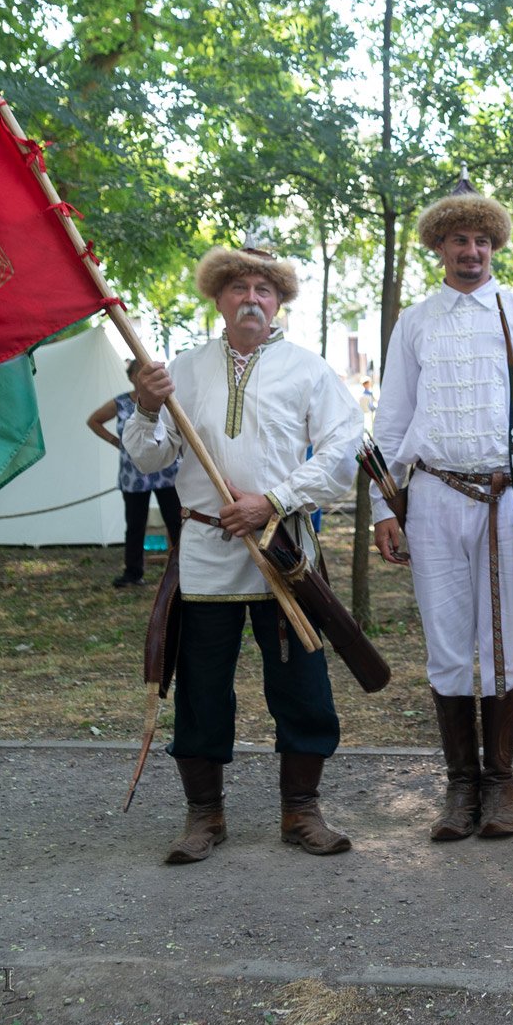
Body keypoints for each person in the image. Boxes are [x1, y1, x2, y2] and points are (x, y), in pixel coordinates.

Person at [123, 244, 366, 864]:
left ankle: (301, 812)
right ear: (218, 298)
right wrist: (148, 405)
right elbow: (149, 458)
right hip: (206, 548)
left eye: (264, 288)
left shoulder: (307, 370)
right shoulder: (183, 369)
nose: (251, 298)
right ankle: (204, 817)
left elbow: (343, 449)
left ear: (279, 300)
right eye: (238, 288)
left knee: (301, 682)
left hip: (282, 546)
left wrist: (276, 498)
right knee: (202, 686)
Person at [371, 179, 513, 842]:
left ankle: (501, 783)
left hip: (506, 498)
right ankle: (459, 784)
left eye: (482, 240)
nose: (472, 251)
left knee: (505, 640)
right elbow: (391, 420)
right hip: (432, 497)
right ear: (438, 247)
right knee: (449, 643)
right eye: (459, 239)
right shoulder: (418, 321)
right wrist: (382, 506)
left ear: (495, 247)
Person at [88, 361, 184, 587]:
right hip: (134, 477)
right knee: (135, 524)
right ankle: (133, 572)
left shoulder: (167, 399)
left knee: (176, 521)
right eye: (140, 373)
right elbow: (94, 420)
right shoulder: (121, 402)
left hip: (166, 472)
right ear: (132, 378)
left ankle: (183, 569)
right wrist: (115, 441)